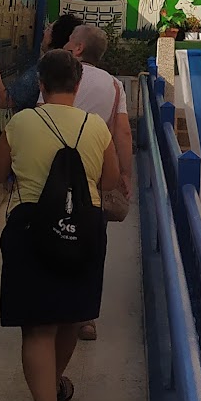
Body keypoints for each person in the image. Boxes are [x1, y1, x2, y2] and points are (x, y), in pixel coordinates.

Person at [0, 48, 122, 401]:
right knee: (69, 318)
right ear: (77, 85)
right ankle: (55, 384)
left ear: (41, 84)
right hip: (85, 228)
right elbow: (110, 180)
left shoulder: (22, 122)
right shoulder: (95, 126)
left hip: (31, 228)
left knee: (37, 326)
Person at [63, 24, 134, 342]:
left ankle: (52, 305)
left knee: (53, 234)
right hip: (94, 175)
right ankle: (86, 317)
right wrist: (125, 174)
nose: (66, 44)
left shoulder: (59, 76)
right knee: (92, 243)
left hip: (54, 171)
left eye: (70, 40)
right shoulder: (114, 85)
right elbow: (123, 132)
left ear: (78, 48)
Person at [0, 11, 81, 113]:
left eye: (48, 28)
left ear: (56, 37)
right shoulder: (74, 69)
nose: (44, 32)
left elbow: (3, 100)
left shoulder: (46, 69)